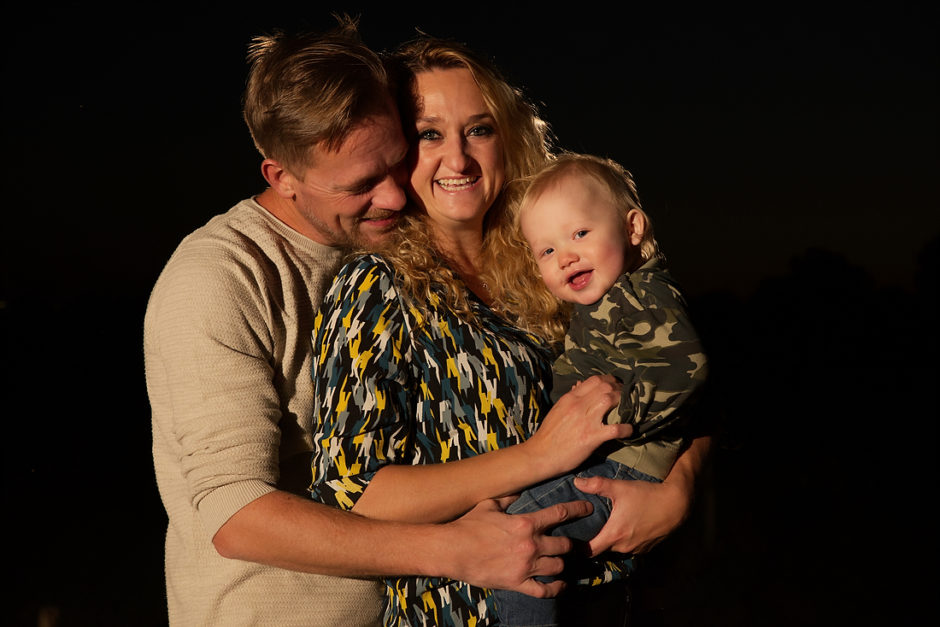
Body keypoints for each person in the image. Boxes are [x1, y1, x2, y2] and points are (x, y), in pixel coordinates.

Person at [143, 19, 602, 626]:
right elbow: (234, 514)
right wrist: (457, 550)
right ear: (281, 177)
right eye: (362, 184)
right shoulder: (219, 276)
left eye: (396, 161)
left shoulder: (392, 244)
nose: (392, 197)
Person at [308, 36, 712, 627]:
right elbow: (351, 491)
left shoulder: (556, 260)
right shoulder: (377, 287)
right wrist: (537, 457)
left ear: (509, 138)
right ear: (394, 148)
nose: (458, 159)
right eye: (429, 134)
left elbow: (689, 373)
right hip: (465, 612)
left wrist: (678, 490)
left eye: (478, 129)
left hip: (601, 600)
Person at [490, 152, 709, 625]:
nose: (565, 255)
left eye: (580, 234)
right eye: (546, 250)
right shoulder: (604, 304)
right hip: (613, 458)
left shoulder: (639, 295)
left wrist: (606, 423)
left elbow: (683, 369)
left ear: (632, 229)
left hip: (630, 463)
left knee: (519, 539)